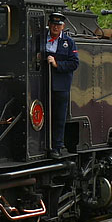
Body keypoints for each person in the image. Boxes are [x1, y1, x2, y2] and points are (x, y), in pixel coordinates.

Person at [41, 12, 79, 157]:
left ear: (63, 26)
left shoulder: (68, 42)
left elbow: (74, 63)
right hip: (42, 82)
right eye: (53, 24)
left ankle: (56, 146)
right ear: (49, 25)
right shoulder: (41, 39)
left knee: (58, 117)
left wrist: (57, 64)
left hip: (60, 85)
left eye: (58, 25)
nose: (55, 27)